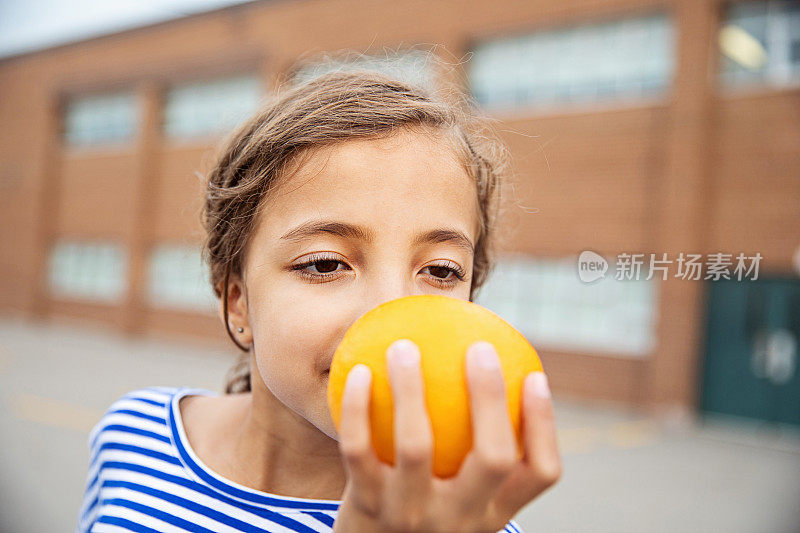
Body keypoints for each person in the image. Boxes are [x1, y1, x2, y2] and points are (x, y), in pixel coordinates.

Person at [76, 52, 561, 532]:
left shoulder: (464, 526)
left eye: (439, 271)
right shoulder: (134, 436)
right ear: (237, 300)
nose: (391, 313)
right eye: (325, 263)